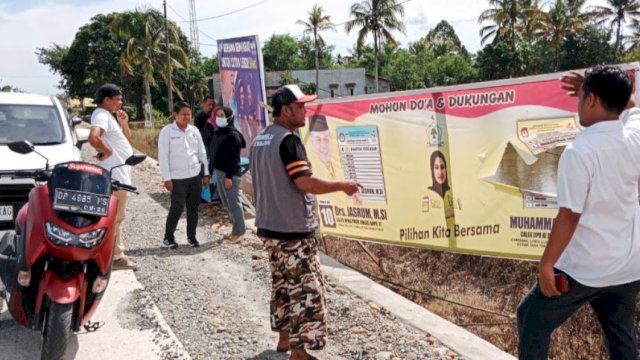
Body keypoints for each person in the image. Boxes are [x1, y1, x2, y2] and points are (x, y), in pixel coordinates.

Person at [517, 65, 640, 359]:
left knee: (531, 317)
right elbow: (632, 106)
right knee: (621, 337)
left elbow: (569, 216)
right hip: (628, 265)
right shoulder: (634, 137)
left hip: (585, 268)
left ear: (591, 100)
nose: (578, 105)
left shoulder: (579, 152)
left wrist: (547, 266)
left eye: (581, 96)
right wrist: (599, 87)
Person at [250, 84, 361, 360]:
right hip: (292, 231)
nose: (305, 111)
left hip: (269, 227)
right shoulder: (289, 141)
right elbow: (304, 181)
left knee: (282, 284)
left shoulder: (261, 139)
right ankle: (299, 353)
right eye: (300, 107)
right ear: (285, 110)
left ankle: (284, 339)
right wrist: (342, 185)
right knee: (305, 290)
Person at [88, 83, 137, 271]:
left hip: (120, 176)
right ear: (106, 100)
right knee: (115, 218)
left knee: (117, 218)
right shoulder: (101, 115)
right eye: (118, 99)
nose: (121, 103)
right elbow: (94, 138)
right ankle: (115, 257)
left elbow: (126, 143)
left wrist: (124, 124)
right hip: (115, 177)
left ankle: (113, 254)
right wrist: (106, 152)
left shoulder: (109, 117)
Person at [158, 102, 210, 249]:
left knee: (193, 207)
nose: (187, 117)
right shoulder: (167, 131)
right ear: (175, 115)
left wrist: (205, 173)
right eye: (183, 114)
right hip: (177, 177)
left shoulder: (194, 131)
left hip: (194, 175)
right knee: (177, 207)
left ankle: (191, 237)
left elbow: (201, 153)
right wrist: (166, 178)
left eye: (189, 114)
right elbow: (163, 156)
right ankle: (168, 238)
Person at [210, 106, 246, 243]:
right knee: (227, 202)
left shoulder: (233, 135)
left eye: (222, 115)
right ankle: (235, 229)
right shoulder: (218, 132)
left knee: (234, 203)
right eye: (217, 115)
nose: (219, 117)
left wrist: (229, 177)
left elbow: (234, 158)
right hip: (219, 173)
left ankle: (240, 232)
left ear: (229, 117)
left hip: (229, 175)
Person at [428, 150, 454, 219]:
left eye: (442, 167)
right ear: (432, 170)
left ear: (446, 169)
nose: (440, 172)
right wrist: (446, 215)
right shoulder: (428, 194)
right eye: (436, 168)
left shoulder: (452, 192)